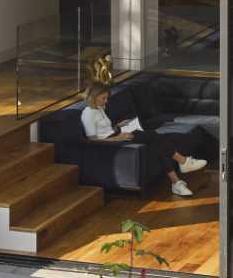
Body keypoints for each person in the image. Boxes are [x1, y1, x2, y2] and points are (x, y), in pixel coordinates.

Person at [80, 83, 210, 197]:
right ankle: (183, 161)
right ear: (94, 96)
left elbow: (105, 130)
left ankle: (176, 182)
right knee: (153, 136)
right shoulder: (88, 114)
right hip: (111, 144)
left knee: (156, 145)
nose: (106, 101)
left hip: (116, 135)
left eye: (106, 98)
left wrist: (117, 126)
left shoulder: (98, 109)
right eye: (104, 98)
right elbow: (93, 141)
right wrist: (116, 138)